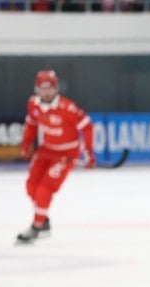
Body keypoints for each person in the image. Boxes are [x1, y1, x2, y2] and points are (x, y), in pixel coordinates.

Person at [16, 69, 95, 244]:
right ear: (37, 88)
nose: (46, 92)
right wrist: (25, 145)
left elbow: (87, 127)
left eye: (50, 88)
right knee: (31, 187)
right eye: (43, 88)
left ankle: (36, 227)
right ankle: (43, 220)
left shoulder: (67, 108)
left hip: (66, 154)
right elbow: (31, 124)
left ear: (56, 88)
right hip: (46, 150)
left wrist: (88, 153)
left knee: (45, 188)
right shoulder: (34, 104)